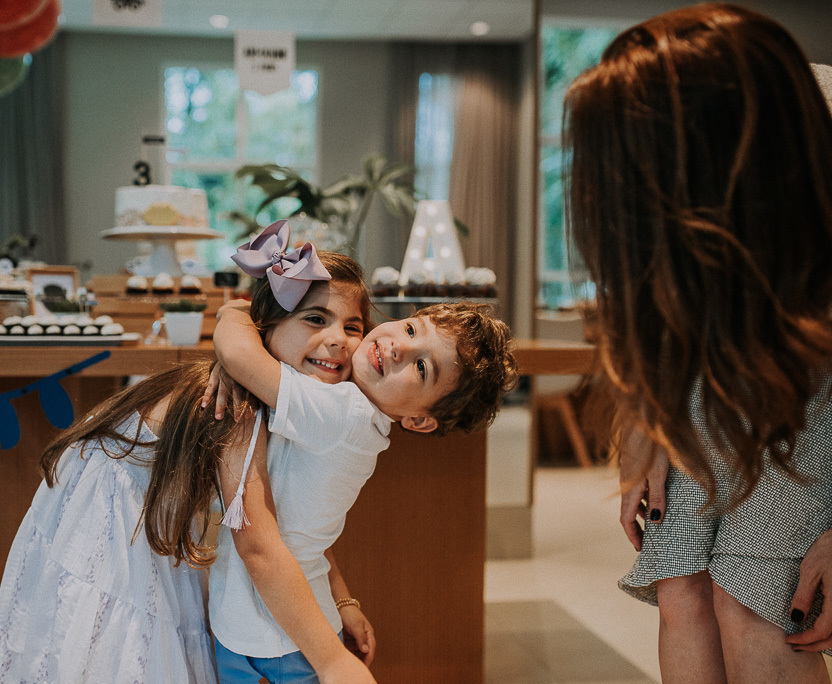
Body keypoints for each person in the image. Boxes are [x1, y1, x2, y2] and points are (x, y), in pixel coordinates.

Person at [0, 231, 383, 683]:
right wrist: (331, 660)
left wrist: (341, 598)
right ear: (265, 328)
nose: (338, 339)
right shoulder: (241, 407)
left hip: (161, 511)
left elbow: (295, 521)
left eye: (352, 327)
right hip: (117, 509)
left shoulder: (297, 404)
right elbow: (260, 547)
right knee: (112, 644)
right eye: (315, 319)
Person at [563, 4, 832, 682]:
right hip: (704, 380)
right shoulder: (676, 218)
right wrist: (645, 429)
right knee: (682, 588)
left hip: (813, 385)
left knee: (755, 601)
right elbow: (648, 303)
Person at [203, 220, 518, 682]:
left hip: (280, 639)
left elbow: (238, 355)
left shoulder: (344, 414)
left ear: (419, 420)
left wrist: (233, 315)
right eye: (410, 328)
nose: (398, 349)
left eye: (422, 367)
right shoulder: (341, 406)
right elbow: (303, 527)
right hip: (261, 626)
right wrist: (344, 598)